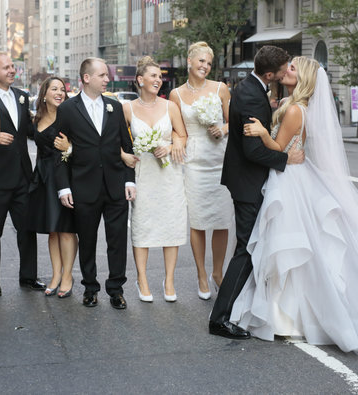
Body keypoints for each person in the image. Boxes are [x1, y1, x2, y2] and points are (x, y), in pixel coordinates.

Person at [229, 56, 358, 352]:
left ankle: (288, 317)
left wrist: (264, 133)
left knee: (290, 245)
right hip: (292, 175)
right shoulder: (293, 106)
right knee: (296, 248)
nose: (285, 71)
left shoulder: (295, 111)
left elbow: (279, 149)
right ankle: (288, 315)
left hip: (289, 179)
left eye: (291, 68)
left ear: (302, 77)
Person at [209, 45, 298, 339]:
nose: (288, 71)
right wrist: (286, 159)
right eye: (285, 68)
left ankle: (240, 309)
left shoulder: (250, 88)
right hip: (247, 182)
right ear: (270, 74)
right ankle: (220, 318)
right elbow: (252, 150)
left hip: (243, 179)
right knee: (246, 249)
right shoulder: (252, 95)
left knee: (249, 247)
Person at [54, 57, 136, 310]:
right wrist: (64, 187)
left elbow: (126, 145)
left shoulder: (115, 107)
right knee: (87, 240)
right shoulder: (67, 109)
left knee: (117, 240)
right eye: (102, 75)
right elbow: (59, 150)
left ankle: (116, 289)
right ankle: (90, 288)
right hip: (83, 186)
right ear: (86, 78)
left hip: (115, 185)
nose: (107, 79)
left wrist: (130, 180)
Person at [169, 41, 234, 300]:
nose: (205, 66)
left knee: (220, 220)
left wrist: (224, 128)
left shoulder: (221, 89)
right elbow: (176, 128)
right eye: (201, 61)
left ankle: (218, 272)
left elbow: (234, 120)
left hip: (220, 160)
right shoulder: (175, 94)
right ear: (189, 61)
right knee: (197, 222)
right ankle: (201, 274)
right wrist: (176, 141)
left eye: (209, 63)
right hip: (194, 164)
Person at [123, 56, 188, 302]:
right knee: (142, 226)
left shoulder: (170, 107)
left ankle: (169, 280)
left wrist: (170, 147)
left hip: (169, 176)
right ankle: (142, 279)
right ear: (140, 80)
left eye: (160, 77)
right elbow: (116, 142)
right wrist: (124, 156)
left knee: (171, 225)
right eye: (153, 76)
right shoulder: (127, 109)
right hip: (143, 175)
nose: (158, 81)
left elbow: (182, 136)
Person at [0, 51, 45, 296]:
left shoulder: (22, 97)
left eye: (12, 67)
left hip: (23, 176)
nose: (12, 71)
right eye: (6, 68)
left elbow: (31, 132)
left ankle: (29, 277)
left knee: (27, 229)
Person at [27, 77, 77, 299]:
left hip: (66, 176)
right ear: (44, 94)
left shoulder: (70, 116)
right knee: (52, 231)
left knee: (66, 229)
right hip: (44, 179)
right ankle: (56, 275)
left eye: (62, 90)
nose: (60, 93)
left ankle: (68, 276)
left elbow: (86, 146)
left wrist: (69, 147)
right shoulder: (36, 118)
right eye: (54, 89)